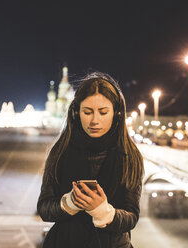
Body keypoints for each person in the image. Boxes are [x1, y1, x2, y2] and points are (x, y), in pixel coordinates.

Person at [37, 72, 144, 248]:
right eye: (87, 112)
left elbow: (131, 217)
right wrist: (70, 202)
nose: (95, 120)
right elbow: (44, 208)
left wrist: (102, 211)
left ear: (117, 113)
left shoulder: (129, 155)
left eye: (103, 112)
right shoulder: (60, 151)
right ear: (76, 112)